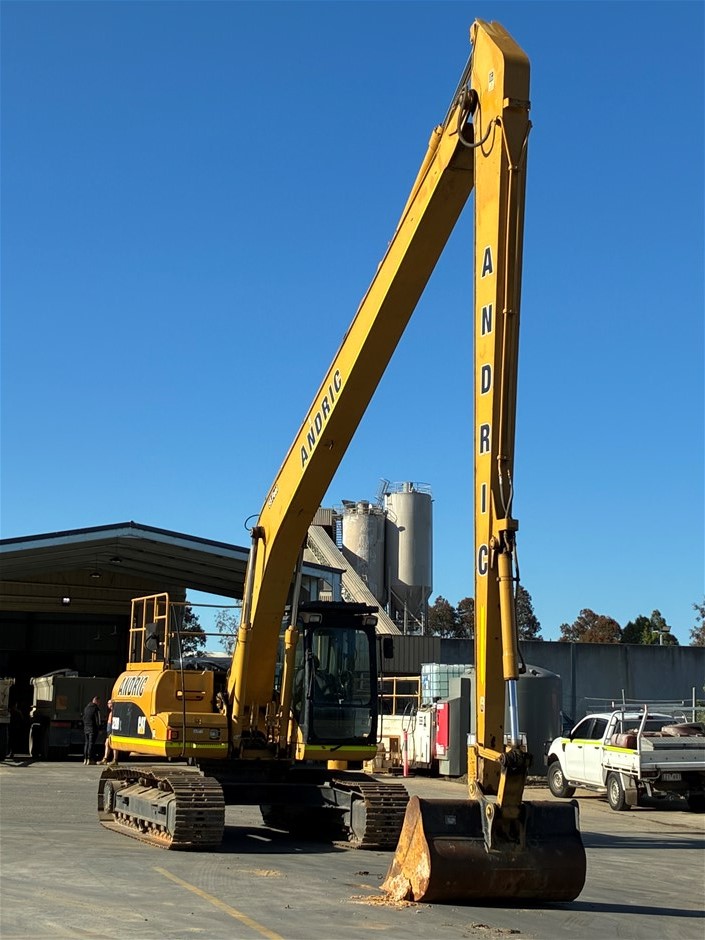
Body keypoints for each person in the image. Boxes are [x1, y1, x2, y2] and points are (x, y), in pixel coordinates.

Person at [82, 695, 101, 765]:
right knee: (91, 744)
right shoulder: (96, 709)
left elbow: (84, 718)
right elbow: (98, 720)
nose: (99, 703)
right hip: (92, 729)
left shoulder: (86, 708)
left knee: (86, 743)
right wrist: (99, 728)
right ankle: (90, 759)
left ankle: (85, 759)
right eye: (99, 702)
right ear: (96, 701)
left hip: (86, 728)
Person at [98, 699, 113, 765]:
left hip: (112, 730)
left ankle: (114, 759)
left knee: (113, 745)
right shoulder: (111, 712)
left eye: (109, 703)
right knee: (107, 743)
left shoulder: (114, 712)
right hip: (109, 730)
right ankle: (105, 758)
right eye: (108, 703)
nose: (108, 705)